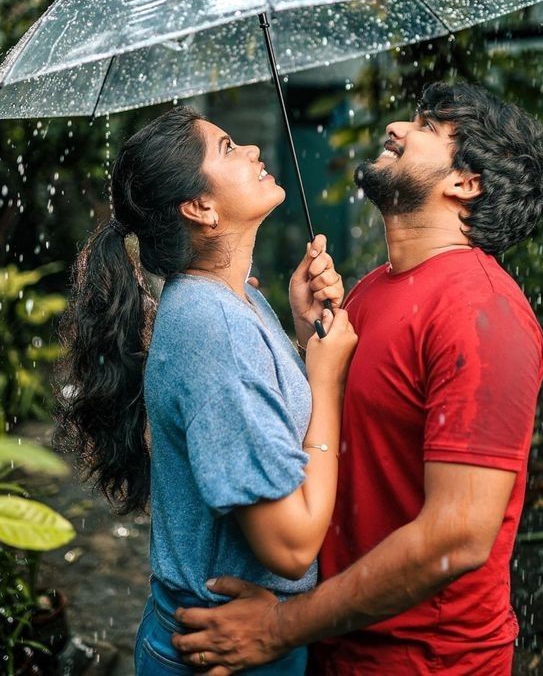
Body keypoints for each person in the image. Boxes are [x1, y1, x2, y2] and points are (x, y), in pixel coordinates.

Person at [170, 81, 543, 675]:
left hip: (425, 662)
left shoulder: (484, 316)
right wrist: (309, 341)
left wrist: (279, 626)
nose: (397, 129)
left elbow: (458, 536)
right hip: (335, 642)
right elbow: (346, 440)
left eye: (426, 127)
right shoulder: (375, 287)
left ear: (466, 182)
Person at [56, 105, 357, 675]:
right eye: (227, 148)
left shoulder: (232, 298)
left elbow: (262, 420)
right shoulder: (214, 328)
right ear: (200, 208)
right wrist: (326, 378)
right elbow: (289, 548)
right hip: (221, 650)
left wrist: (299, 332)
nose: (252, 152)